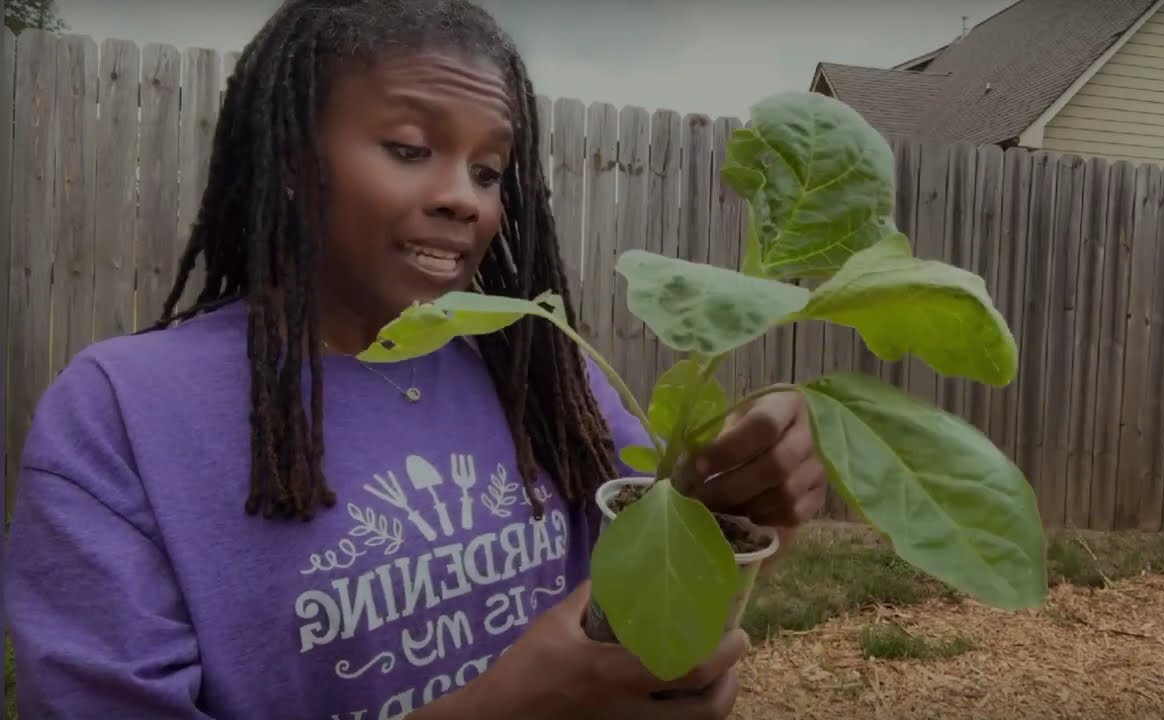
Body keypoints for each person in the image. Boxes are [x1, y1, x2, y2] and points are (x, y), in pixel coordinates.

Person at [1, 1, 829, 718]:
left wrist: (743, 505)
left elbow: (658, 577)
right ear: (292, 162)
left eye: (488, 169)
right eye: (407, 147)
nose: (463, 196)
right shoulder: (121, 415)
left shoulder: (540, 379)